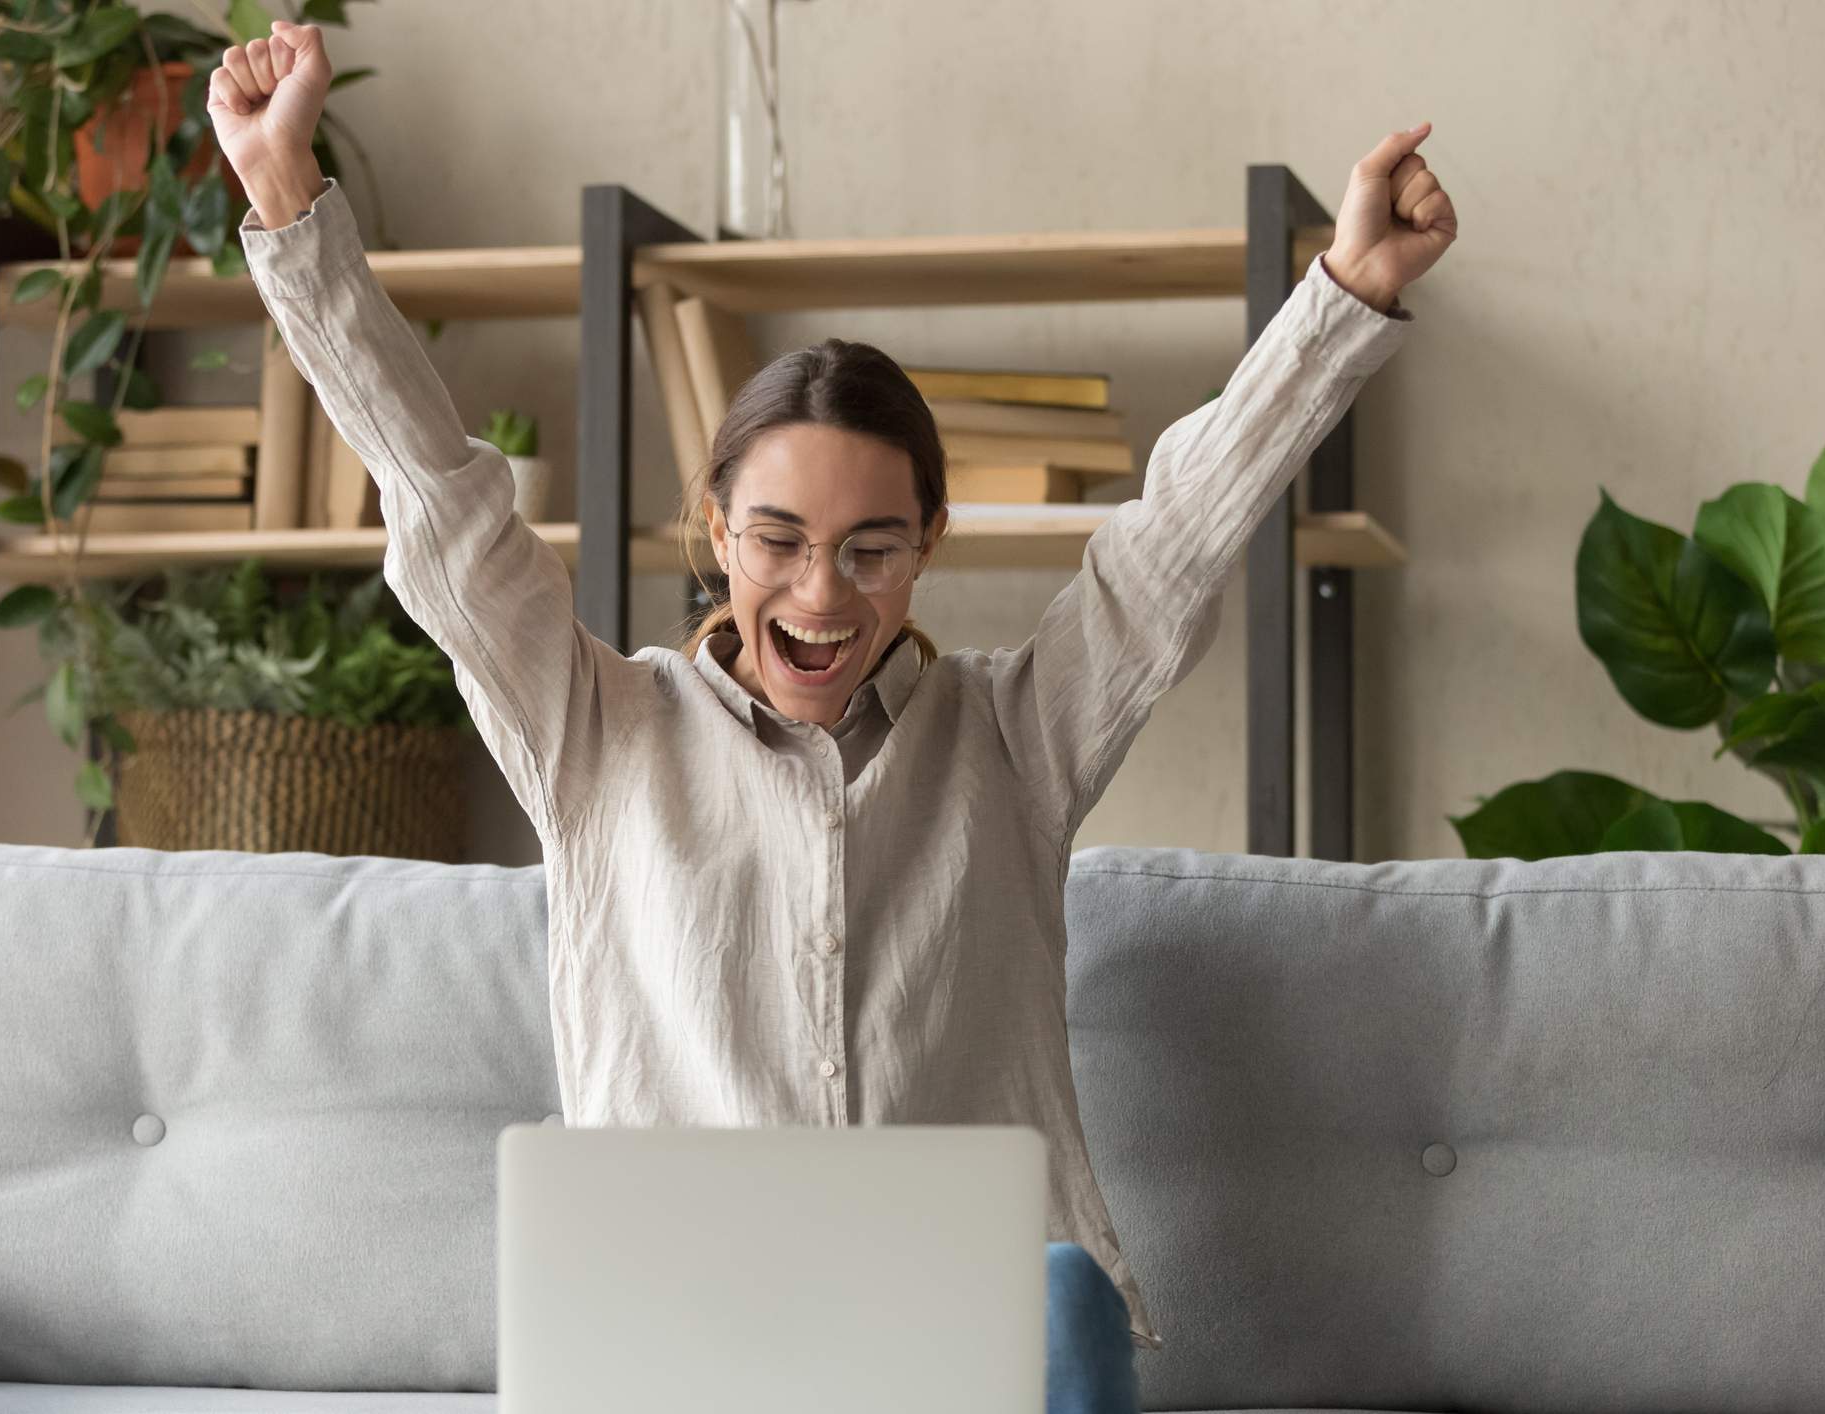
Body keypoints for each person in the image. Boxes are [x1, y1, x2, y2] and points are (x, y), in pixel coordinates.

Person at [211, 22, 1455, 1412]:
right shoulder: (595, 730)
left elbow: (1169, 542)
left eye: (871, 546)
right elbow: (441, 498)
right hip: (676, 1344)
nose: (819, 592)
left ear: (929, 539)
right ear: (715, 532)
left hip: (969, 1351)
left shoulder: (1011, 739)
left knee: (1057, 1297)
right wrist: (285, 196)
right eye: (777, 540)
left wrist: (1344, 289)